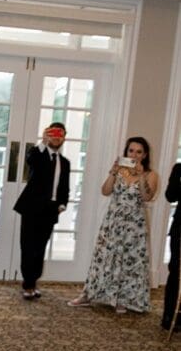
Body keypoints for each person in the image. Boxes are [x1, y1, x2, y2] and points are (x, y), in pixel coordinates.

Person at [68, 136, 159, 314]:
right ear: (126, 152)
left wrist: (141, 176)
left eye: (139, 152)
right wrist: (112, 172)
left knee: (129, 259)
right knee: (103, 257)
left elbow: (147, 196)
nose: (134, 155)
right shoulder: (119, 171)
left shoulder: (151, 175)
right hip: (113, 221)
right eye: (131, 151)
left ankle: (122, 299)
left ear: (145, 154)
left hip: (134, 225)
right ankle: (89, 294)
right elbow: (105, 191)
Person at [13, 122, 70, 299]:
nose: (57, 138)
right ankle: (28, 284)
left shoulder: (65, 163)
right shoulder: (38, 154)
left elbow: (64, 187)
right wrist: (43, 142)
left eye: (60, 135)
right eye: (53, 134)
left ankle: (34, 281)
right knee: (28, 246)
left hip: (51, 210)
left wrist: (62, 205)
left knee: (40, 248)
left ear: (64, 138)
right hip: (31, 208)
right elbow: (31, 160)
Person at [162, 162, 181, 331]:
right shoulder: (179, 169)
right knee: (175, 271)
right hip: (179, 230)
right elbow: (170, 196)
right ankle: (169, 316)